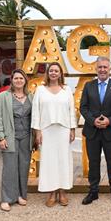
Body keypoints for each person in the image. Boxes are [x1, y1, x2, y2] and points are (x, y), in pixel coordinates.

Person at [79, 56, 111, 206]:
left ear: (110, 69)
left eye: (105, 67)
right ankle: (93, 191)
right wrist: (93, 121)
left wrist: (110, 121)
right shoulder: (88, 86)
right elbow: (83, 108)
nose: (102, 70)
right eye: (100, 67)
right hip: (92, 131)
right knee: (93, 162)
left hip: (110, 131)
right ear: (96, 68)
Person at [31, 62, 76, 207]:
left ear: (60, 73)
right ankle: (51, 193)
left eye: (56, 70)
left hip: (63, 130)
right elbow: (36, 111)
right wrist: (37, 131)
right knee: (49, 162)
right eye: (51, 70)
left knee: (63, 161)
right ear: (48, 73)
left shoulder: (67, 90)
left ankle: (62, 192)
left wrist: (72, 129)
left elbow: (71, 110)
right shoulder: (40, 90)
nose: (54, 73)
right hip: (46, 130)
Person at [0, 69, 33, 212]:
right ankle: (6, 199)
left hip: (26, 137)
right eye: (16, 78)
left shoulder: (31, 97)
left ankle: (20, 195)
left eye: (21, 78)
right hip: (10, 137)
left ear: (25, 81)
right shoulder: (4, 96)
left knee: (23, 167)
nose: (18, 81)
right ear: (12, 80)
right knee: (10, 168)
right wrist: (0, 137)